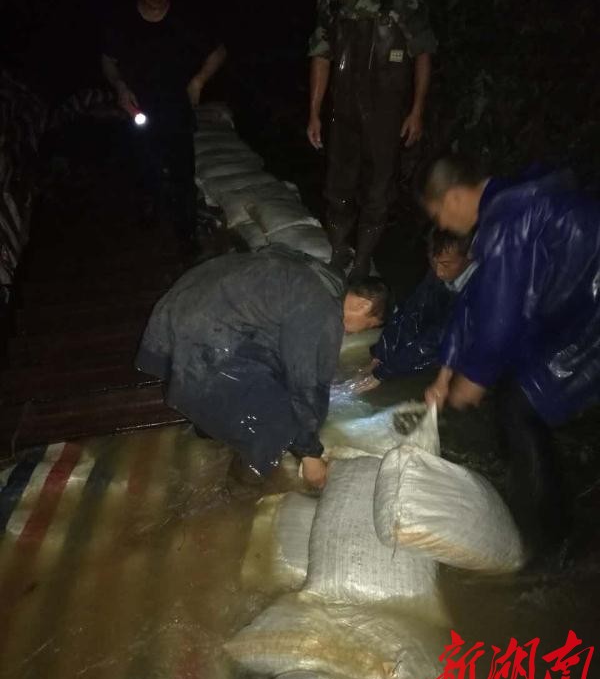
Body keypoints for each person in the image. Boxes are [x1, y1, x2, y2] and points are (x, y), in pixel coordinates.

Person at [420, 155, 600, 564]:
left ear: (453, 197)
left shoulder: (508, 220)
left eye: (438, 214)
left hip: (589, 307)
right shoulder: (508, 203)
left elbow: (499, 322)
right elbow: (476, 301)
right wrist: (446, 374)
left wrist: (473, 378)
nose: (442, 225)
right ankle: (543, 498)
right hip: (577, 304)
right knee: (517, 396)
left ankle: (553, 544)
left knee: (519, 405)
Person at [135, 245, 389, 489]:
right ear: (363, 306)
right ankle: (243, 483)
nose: (356, 334)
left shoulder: (307, 275)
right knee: (276, 418)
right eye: (367, 327)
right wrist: (310, 454)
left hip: (172, 313)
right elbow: (308, 384)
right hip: (203, 336)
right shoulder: (323, 309)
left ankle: (210, 426)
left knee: (267, 376)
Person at [307, 0, 437, 279]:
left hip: (387, 110)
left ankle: (363, 260)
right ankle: (338, 252)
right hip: (343, 109)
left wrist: (417, 110)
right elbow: (321, 52)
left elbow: (423, 50)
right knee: (338, 186)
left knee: (378, 190)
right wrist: (314, 112)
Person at [101, 0, 226, 250]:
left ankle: (186, 232)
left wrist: (198, 81)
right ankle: (148, 210)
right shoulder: (123, 21)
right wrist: (119, 86)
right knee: (144, 165)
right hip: (138, 108)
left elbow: (219, 52)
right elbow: (108, 59)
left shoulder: (185, 19)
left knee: (183, 173)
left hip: (177, 107)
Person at [351, 228, 476, 394]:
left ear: (469, 256)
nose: (438, 271)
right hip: (442, 325)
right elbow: (411, 311)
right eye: (433, 262)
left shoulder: (482, 288)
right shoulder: (440, 269)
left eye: (446, 265)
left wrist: (383, 373)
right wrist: (380, 355)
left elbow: (437, 339)